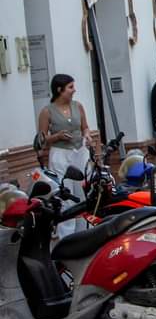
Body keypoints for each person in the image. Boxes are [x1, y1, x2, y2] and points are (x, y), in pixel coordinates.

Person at [36, 74, 91, 238]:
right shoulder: (47, 111)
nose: (74, 90)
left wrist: (87, 136)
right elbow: (42, 138)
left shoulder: (78, 106)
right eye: (71, 87)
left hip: (79, 151)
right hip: (60, 153)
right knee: (65, 194)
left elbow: (85, 127)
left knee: (82, 192)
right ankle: (66, 235)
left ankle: (84, 232)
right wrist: (56, 136)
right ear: (60, 90)